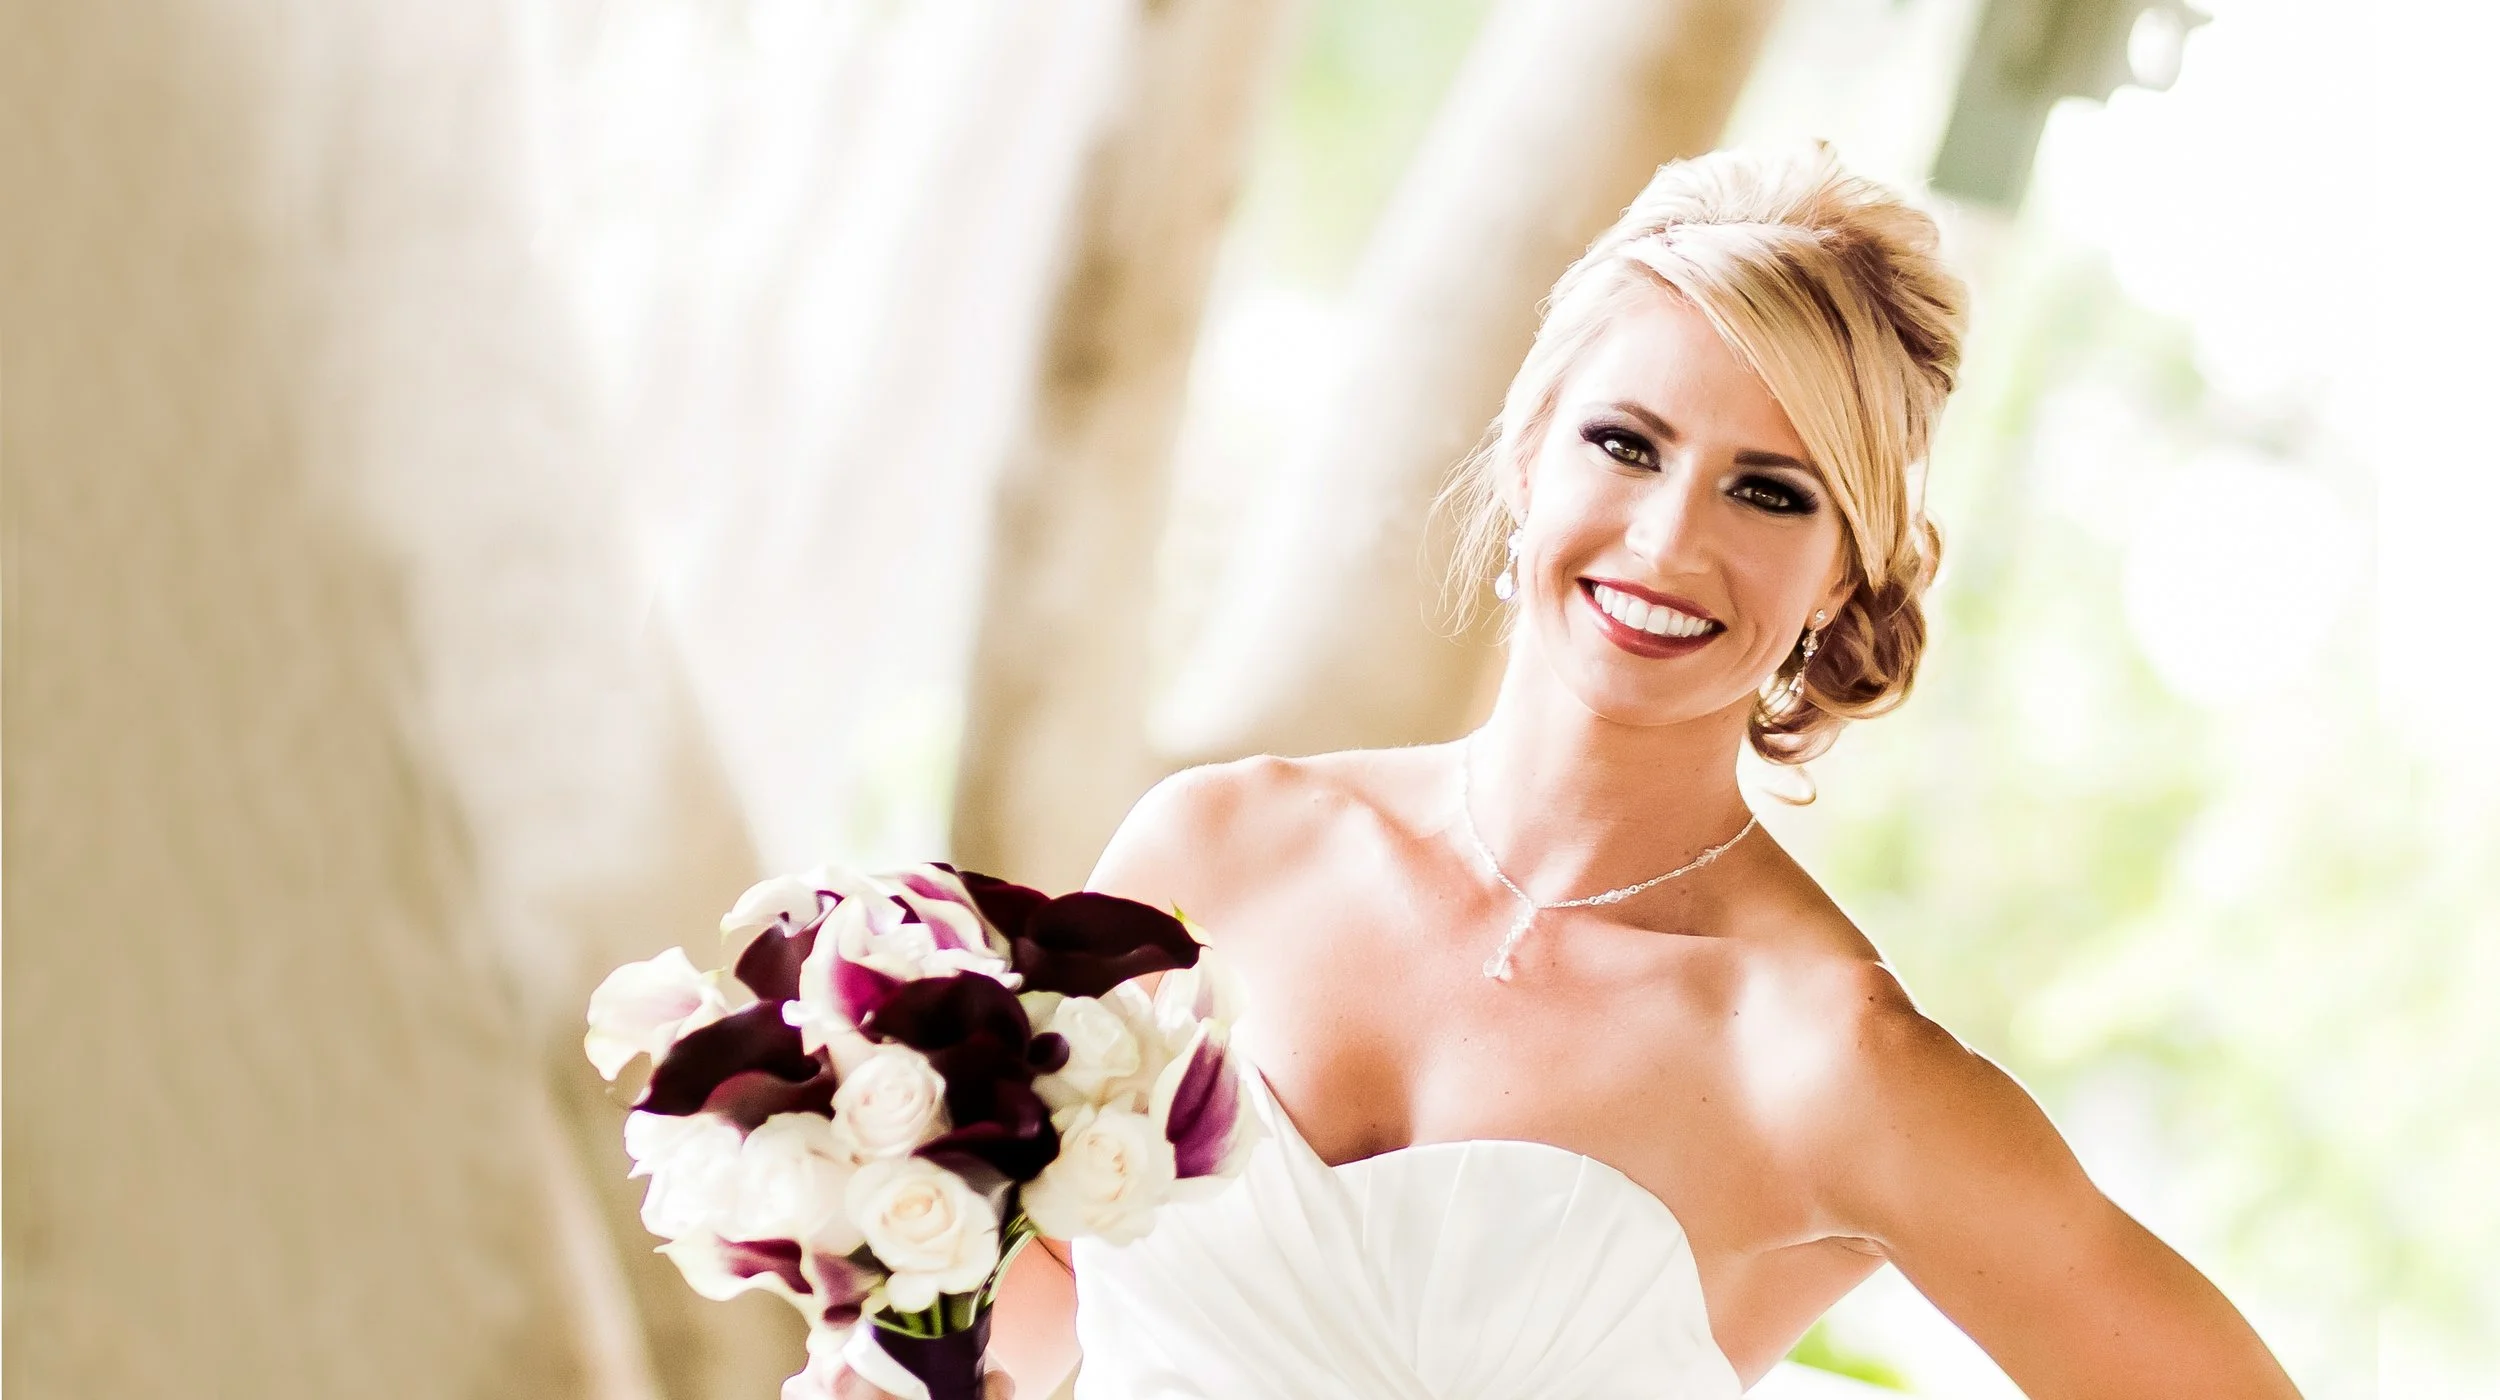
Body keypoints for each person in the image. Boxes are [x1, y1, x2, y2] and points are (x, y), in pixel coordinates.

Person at [843, 143, 2302, 1399]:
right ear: (1530, 450)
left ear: (1845, 570)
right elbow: (1038, 1320)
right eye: (1626, 443)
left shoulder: (1825, 1061)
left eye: (1771, 490)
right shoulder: (1219, 851)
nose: (1669, 543)